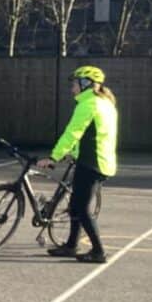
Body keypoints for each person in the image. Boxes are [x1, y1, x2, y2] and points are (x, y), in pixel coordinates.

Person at [37, 65, 118, 264]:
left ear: (86, 84)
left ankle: (99, 252)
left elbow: (73, 133)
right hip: (97, 160)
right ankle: (71, 246)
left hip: (93, 163)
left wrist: (54, 157)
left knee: (82, 208)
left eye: (74, 83)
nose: (72, 87)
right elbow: (91, 135)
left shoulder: (89, 104)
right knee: (75, 205)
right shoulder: (105, 103)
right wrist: (72, 154)